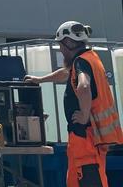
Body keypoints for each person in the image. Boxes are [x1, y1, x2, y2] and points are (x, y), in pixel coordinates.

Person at [25, 21, 123, 187]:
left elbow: (83, 86)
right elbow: (65, 73)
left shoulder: (81, 63)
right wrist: (40, 79)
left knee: (90, 180)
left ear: (69, 43)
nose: (61, 50)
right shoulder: (89, 59)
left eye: (61, 46)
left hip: (86, 139)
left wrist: (84, 116)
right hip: (89, 138)